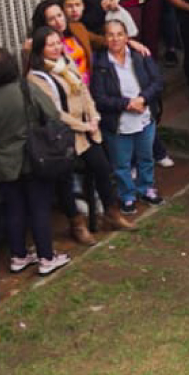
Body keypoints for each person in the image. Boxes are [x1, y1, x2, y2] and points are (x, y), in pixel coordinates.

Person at [25, 28, 125, 242]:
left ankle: (111, 212)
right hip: (62, 136)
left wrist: (94, 116)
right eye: (50, 45)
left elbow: (83, 90)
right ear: (40, 49)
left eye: (57, 43)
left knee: (103, 168)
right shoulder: (37, 77)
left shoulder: (67, 62)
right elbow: (54, 111)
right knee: (65, 182)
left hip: (88, 130)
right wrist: (81, 125)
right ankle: (76, 223)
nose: (56, 48)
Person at [0, 48, 72, 275]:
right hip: (33, 158)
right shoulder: (25, 88)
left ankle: (18, 256)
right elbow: (52, 113)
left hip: (3, 164)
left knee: (14, 210)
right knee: (39, 208)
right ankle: (46, 258)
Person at [92, 20, 164, 218]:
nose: (115, 39)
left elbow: (157, 82)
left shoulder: (139, 56)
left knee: (146, 157)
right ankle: (127, 195)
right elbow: (99, 98)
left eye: (119, 34)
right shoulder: (100, 64)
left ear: (127, 37)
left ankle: (146, 188)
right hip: (118, 123)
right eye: (110, 35)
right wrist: (127, 104)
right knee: (121, 163)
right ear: (105, 38)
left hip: (144, 117)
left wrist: (142, 99)